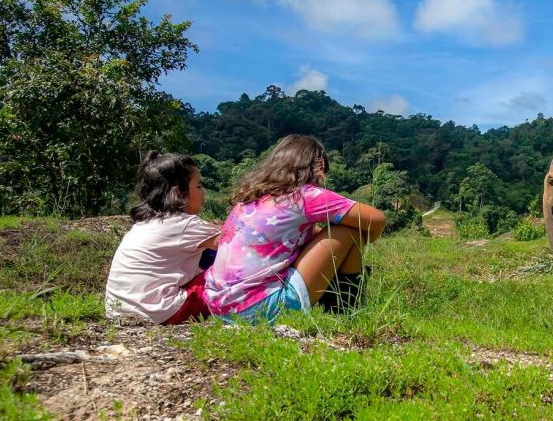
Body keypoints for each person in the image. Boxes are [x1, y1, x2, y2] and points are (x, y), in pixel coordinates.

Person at [204, 135, 386, 324]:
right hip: (257, 309)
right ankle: (344, 311)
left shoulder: (251, 197)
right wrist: (355, 247)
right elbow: (377, 220)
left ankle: (337, 305)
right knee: (349, 231)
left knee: (330, 234)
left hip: (219, 307)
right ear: (320, 166)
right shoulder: (304, 195)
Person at [105, 152, 222, 325]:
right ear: (179, 193)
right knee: (229, 267)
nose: (203, 192)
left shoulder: (146, 222)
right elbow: (233, 244)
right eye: (198, 186)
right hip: (160, 311)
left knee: (207, 254)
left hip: (118, 310)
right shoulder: (185, 224)